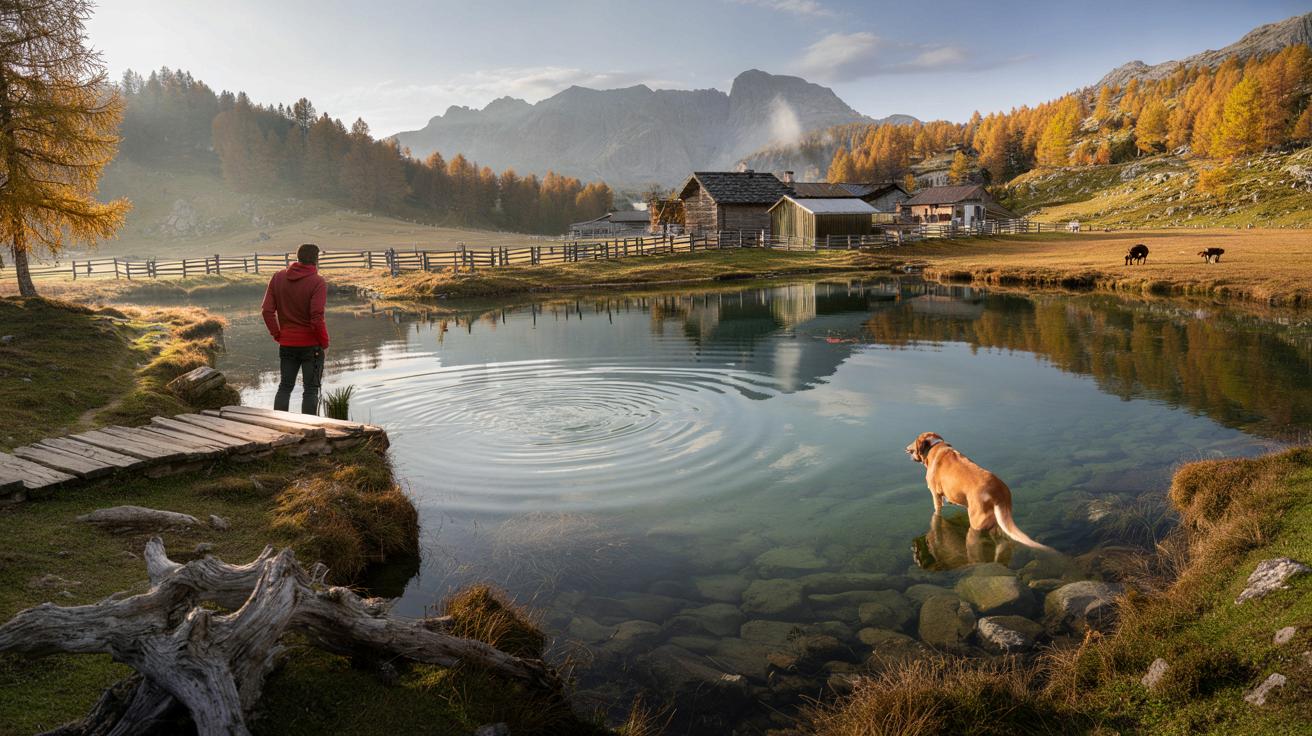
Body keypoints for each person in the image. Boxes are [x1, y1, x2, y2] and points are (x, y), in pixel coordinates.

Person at [261, 243, 329, 414]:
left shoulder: (277, 277)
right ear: (316, 259)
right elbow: (316, 317)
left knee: (285, 387)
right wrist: (324, 342)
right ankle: (309, 430)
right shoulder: (318, 282)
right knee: (311, 390)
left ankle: (279, 427)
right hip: (311, 346)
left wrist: (277, 334)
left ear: (297, 257)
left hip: (287, 344)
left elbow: (267, 311)